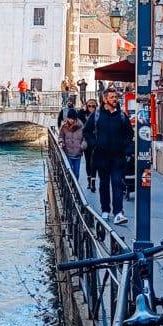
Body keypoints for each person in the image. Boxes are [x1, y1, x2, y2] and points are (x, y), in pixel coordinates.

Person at [83, 85, 133, 225]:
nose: (115, 99)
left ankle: (118, 213)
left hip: (118, 157)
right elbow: (87, 131)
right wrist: (94, 143)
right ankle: (105, 209)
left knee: (117, 183)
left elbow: (129, 134)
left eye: (116, 97)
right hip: (101, 156)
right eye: (112, 97)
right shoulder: (97, 115)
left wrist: (126, 147)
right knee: (104, 184)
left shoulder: (122, 116)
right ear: (105, 99)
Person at [59, 112, 84, 180]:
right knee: (69, 172)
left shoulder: (81, 127)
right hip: (67, 152)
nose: (71, 120)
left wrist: (82, 146)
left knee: (76, 172)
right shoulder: (64, 127)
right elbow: (61, 136)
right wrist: (61, 142)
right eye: (70, 118)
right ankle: (70, 187)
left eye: (73, 119)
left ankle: (74, 188)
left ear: (75, 119)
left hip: (77, 153)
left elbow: (85, 138)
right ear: (67, 118)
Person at [81, 98, 98, 191]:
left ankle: (93, 182)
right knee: (88, 161)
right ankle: (89, 180)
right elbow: (77, 118)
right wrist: (82, 109)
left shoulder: (98, 115)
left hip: (96, 142)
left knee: (94, 162)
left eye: (93, 106)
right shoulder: (83, 114)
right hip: (87, 142)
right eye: (89, 106)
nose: (91, 107)